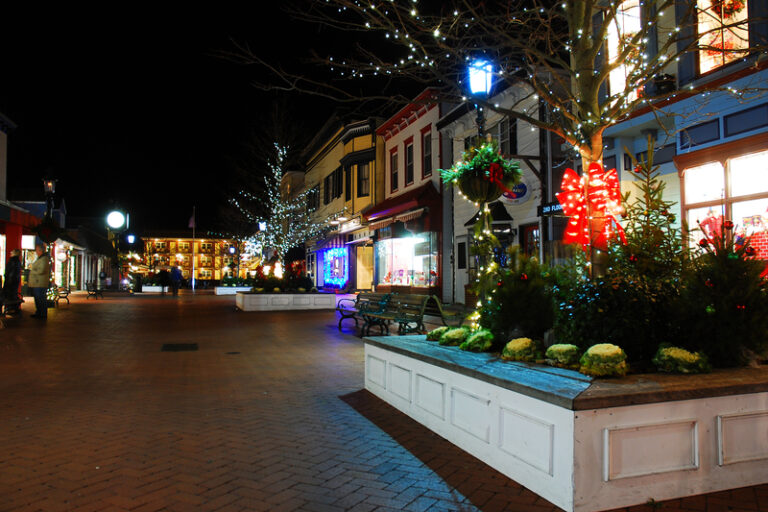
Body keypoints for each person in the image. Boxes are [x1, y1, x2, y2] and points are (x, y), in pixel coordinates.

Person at [28, 243, 51, 319]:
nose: (36, 252)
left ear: (40, 250)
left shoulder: (44, 259)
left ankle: (42, 313)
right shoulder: (41, 258)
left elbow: (41, 270)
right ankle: (39, 312)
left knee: (40, 299)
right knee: (38, 299)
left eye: (37, 250)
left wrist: (33, 271)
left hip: (39, 283)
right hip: (37, 283)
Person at [2, 249, 23, 314]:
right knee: (13, 294)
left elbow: (10, 271)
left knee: (8, 295)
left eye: (12, 251)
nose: (10, 252)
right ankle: (13, 308)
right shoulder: (18, 261)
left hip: (10, 281)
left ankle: (10, 309)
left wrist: (8, 278)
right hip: (15, 281)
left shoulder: (12, 260)